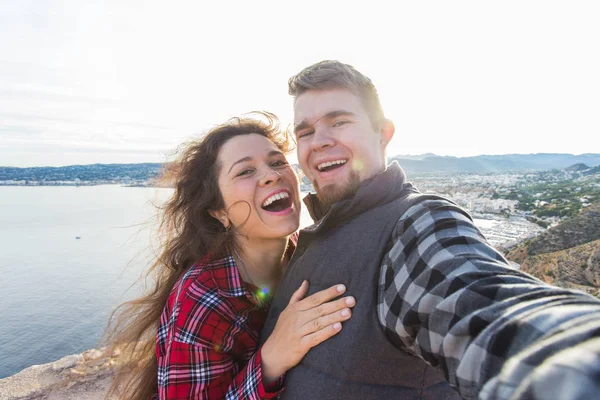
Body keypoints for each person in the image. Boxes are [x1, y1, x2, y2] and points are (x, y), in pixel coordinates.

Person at [259, 61, 600, 399]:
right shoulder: (313, 235)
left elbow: (486, 310)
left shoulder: (415, 223)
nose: (318, 141)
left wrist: (574, 364)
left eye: (339, 121)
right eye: (305, 132)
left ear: (383, 133)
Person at [104, 113, 356, 400]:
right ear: (219, 212)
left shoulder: (309, 254)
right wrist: (272, 358)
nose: (271, 175)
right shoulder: (202, 299)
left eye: (277, 162)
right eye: (245, 171)